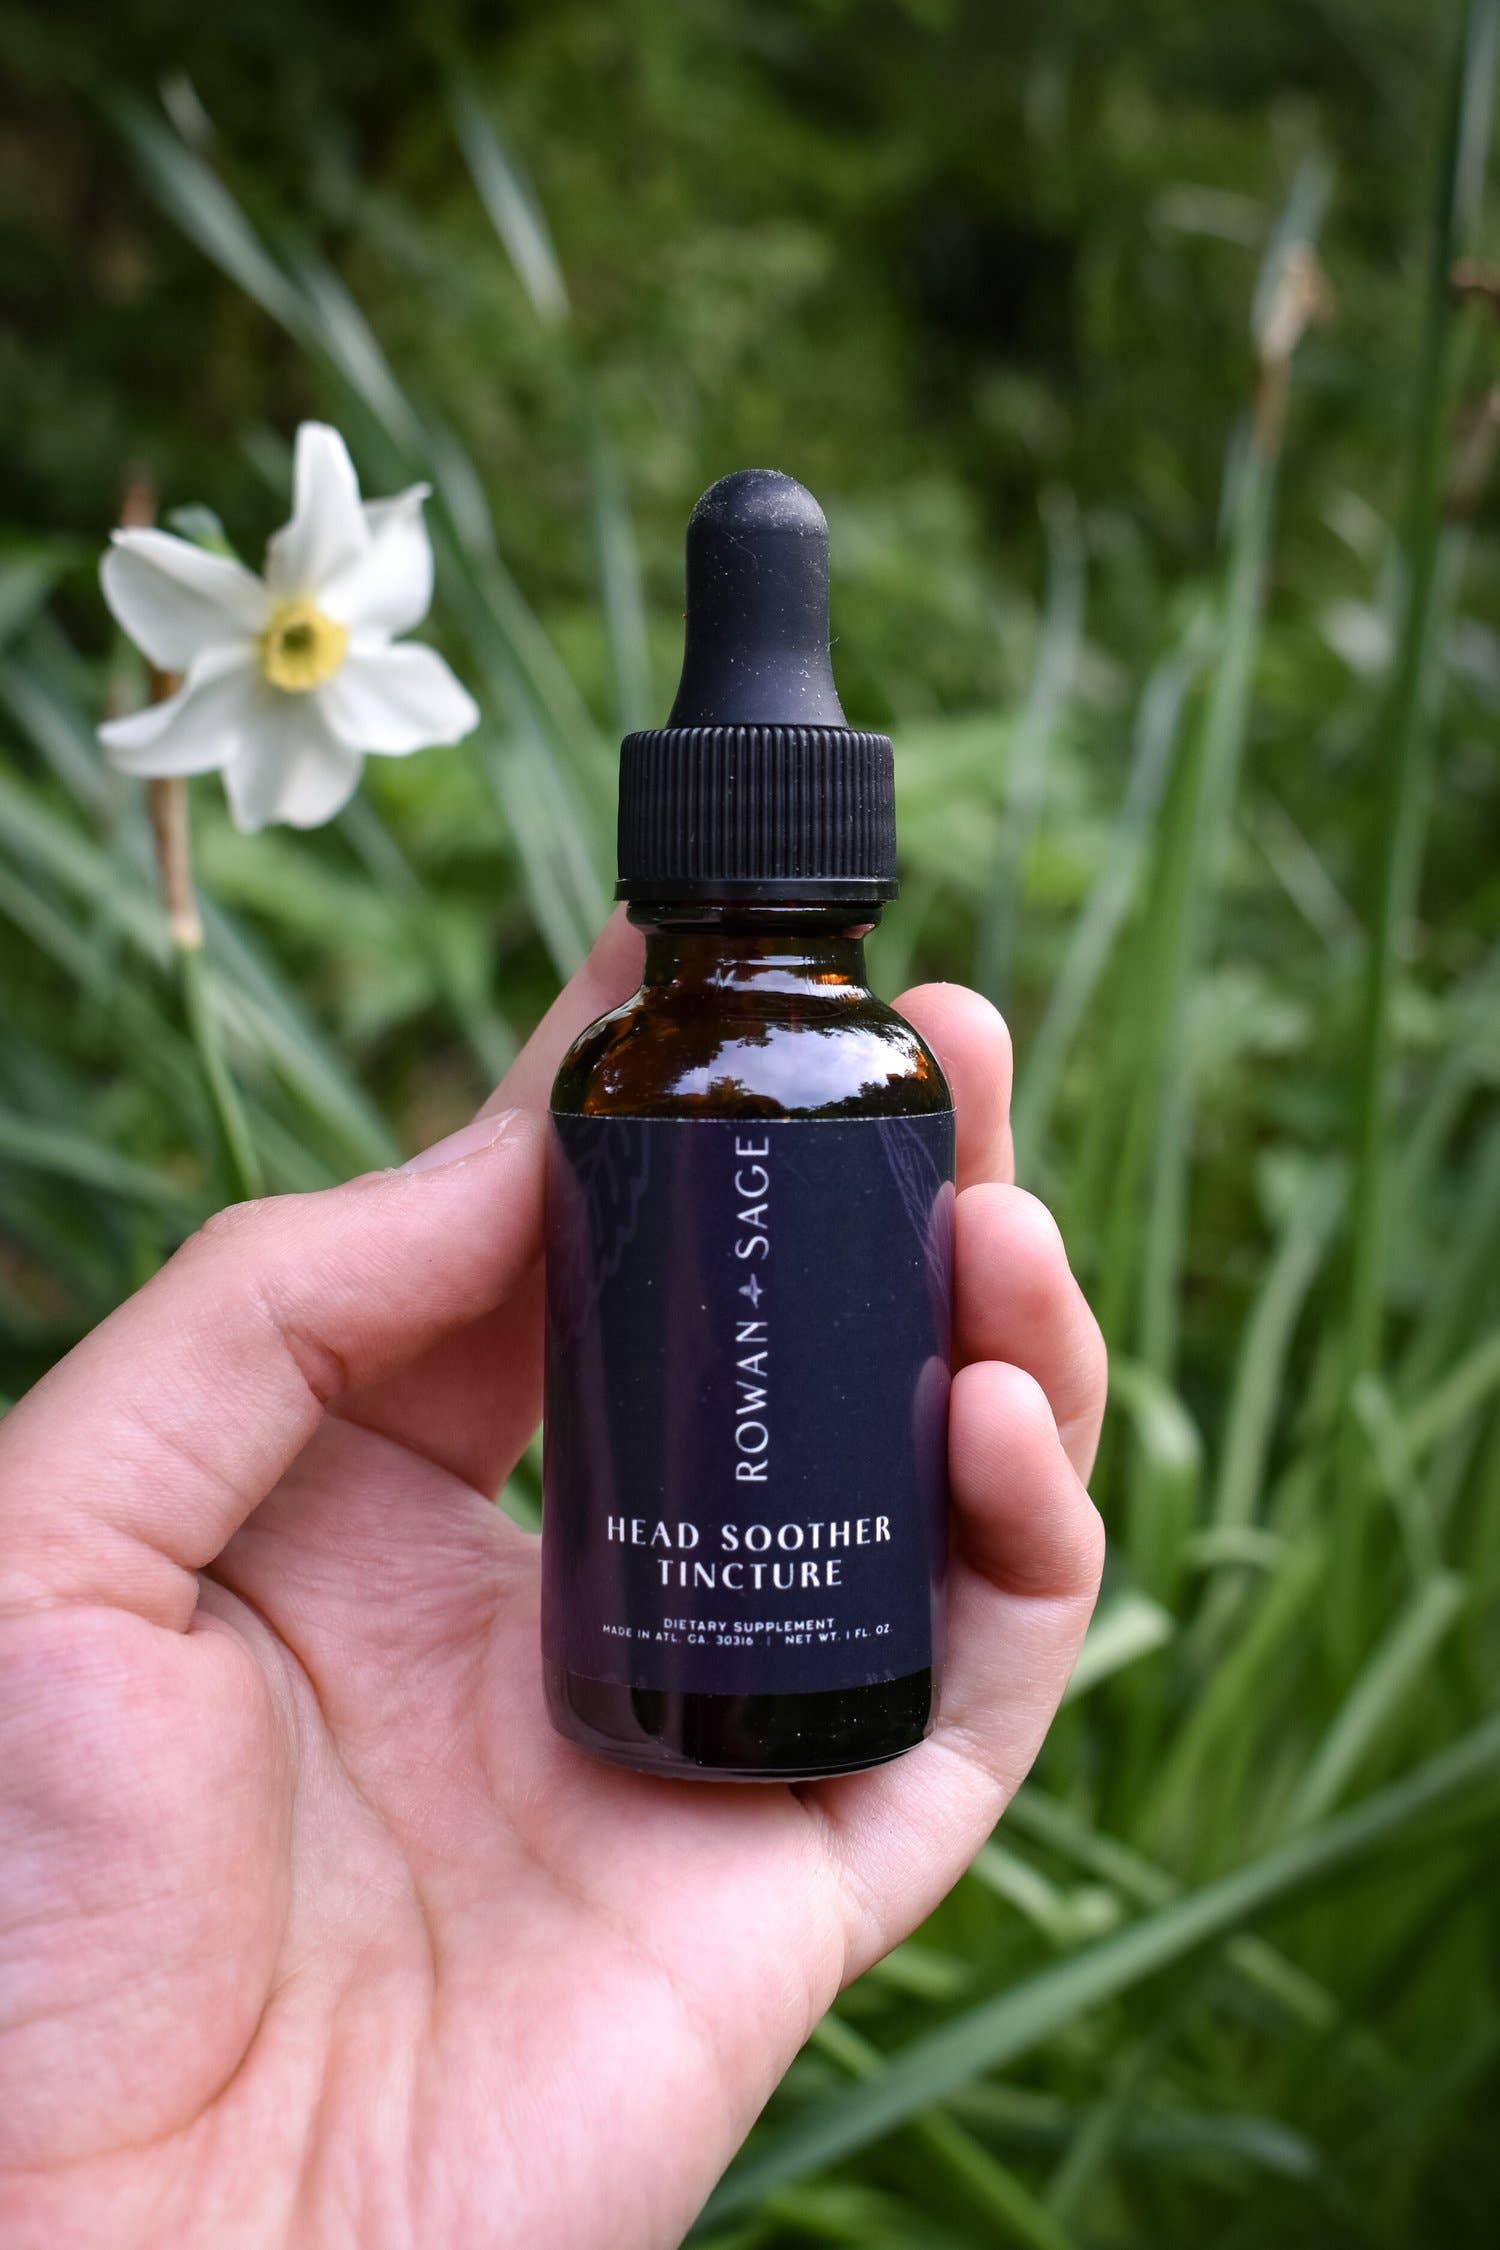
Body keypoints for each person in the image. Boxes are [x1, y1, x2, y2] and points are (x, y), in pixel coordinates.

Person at [0, 916, 1106, 2248]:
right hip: (609, 1698)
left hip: (813, 1666)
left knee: (990, 1405)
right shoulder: (626, 1069)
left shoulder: (877, 1073)